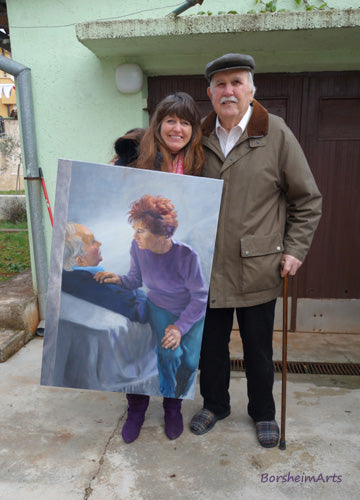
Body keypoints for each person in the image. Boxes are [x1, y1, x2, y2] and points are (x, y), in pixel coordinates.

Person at [190, 53, 322, 448]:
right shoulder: (199, 136)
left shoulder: (276, 133)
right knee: (209, 348)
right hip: (207, 268)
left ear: (251, 89)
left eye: (236, 82)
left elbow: (307, 199)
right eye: (220, 84)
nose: (228, 91)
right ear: (210, 93)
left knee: (258, 351)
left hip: (259, 267)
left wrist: (296, 249)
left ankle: (263, 412)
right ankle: (215, 405)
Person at [96, 92, 206, 443]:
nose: (176, 128)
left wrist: (181, 325)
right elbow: (136, 279)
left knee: (187, 360)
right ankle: (137, 408)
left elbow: (199, 297)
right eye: (169, 120)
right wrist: (120, 278)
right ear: (157, 125)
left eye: (185, 122)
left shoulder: (199, 166)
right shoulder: (135, 162)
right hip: (158, 305)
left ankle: (173, 406)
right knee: (152, 350)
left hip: (187, 307)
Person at [62, 222, 148, 323]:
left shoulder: (67, 278)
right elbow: (140, 314)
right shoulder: (96, 284)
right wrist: (140, 293)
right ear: (80, 260)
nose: (99, 244)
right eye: (92, 242)